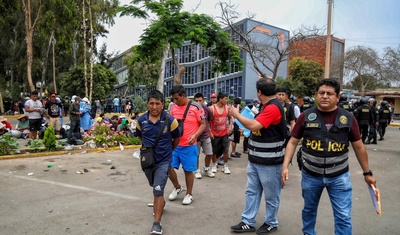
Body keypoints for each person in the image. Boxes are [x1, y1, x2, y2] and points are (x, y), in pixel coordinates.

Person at [281, 78, 377, 235]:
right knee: (309, 211)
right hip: (311, 175)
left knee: (343, 216)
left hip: (339, 176)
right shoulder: (306, 116)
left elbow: (359, 146)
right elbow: (292, 142)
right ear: (316, 95)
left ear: (338, 97)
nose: (325, 96)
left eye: (330, 94)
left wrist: (367, 173)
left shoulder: (348, 118)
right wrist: (285, 166)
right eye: (321, 93)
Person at [229, 78, 286, 234]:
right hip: (256, 159)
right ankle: (248, 221)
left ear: (259, 93)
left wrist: (236, 114)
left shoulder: (273, 108)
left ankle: (271, 221)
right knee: (252, 191)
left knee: (271, 194)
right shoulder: (266, 105)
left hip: (270, 162)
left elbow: (254, 125)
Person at [136, 90, 181, 235]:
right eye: (151, 103)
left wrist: (168, 152)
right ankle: (161, 204)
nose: (154, 106)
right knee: (155, 187)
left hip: (164, 161)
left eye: (157, 103)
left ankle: (157, 224)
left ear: (163, 104)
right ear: (147, 104)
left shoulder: (170, 121)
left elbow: (177, 139)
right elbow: (140, 138)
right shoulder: (141, 121)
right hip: (148, 162)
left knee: (157, 190)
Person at [168, 85, 206, 205]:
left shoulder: (196, 106)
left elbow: (203, 124)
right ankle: (177, 187)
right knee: (167, 167)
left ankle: (189, 194)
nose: (175, 101)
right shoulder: (173, 107)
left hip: (189, 145)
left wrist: (195, 135)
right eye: (173, 99)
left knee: (188, 170)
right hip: (175, 145)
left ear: (183, 96)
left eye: (176, 98)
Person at [209, 92, 233, 174]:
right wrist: (210, 132)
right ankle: (214, 164)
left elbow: (230, 118)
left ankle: (225, 165)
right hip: (214, 133)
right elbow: (208, 121)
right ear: (220, 99)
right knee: (214, 151)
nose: (227, 100)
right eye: (225, 99)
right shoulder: (212, 108)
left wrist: (230, 127)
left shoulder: (227, 108)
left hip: (224, 133)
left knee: (225, 150)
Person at [193, 92, 215, 179]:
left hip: (206, 135)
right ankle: (196, 170)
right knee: (196, 155)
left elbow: (209, 121)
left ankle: (206, 169)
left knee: (209, 153)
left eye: (200, 100)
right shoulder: (191, 110)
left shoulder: (207, 110)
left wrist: (210, 131)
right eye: (196, 100)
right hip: (196, 136)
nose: (198, 102)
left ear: (203, 101)